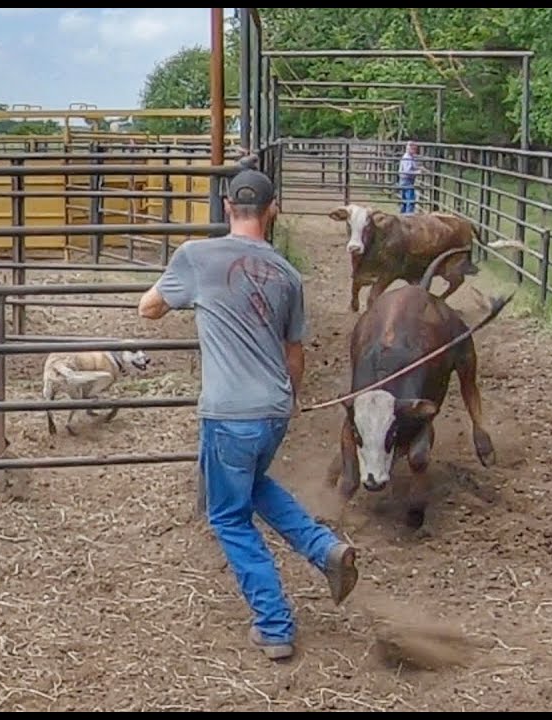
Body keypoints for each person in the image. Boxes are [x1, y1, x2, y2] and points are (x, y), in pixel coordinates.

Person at [137, 159, 359, 661]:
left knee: (229, 516)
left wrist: (191, 298)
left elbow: (148, 308)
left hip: (229, 411)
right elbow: (294, 351)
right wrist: (291, 402)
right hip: (273, 408)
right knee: (253, 485)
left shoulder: (197, 256)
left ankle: (274, 623)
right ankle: (323, 549)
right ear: (272, 210)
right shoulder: (288, 274)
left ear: (226, 206)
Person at [398, 141, 424, 215]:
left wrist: (419, 168)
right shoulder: (407, 158)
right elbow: (407, 171)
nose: (415, 150)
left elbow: (412, 167)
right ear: (410, 149)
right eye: (414, 149)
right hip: (407, 180)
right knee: (410, 199)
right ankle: (408, 215)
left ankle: (403, 214)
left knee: (405, 199)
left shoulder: (409, 157)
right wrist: (417, 172)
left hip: (405, 180)